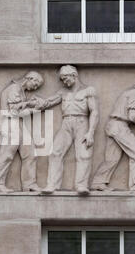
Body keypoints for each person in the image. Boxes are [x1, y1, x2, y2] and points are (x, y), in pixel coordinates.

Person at [41, 65, 99, 195]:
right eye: (62, 79)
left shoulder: (88, 90)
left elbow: (94, 112)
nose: (64, 81)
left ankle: (81, 185)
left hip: (82, 122)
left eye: (65, 78)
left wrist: (90, 132)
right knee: (56, 152)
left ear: (74, 75)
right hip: (66, 123)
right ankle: (52, 185)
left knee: (83, 155)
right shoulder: (63, 92)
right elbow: (47, 102)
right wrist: (32, 103)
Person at [0, 71, 47, 193]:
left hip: (18, 123)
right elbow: (15, 112)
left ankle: (29, 184)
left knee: (30, 152)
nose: (35, 88)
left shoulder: (20, 90)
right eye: (35, 84)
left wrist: (31, 104)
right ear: (29, 78)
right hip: (10, 123)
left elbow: (20, 109)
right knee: (7, 153)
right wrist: (35, 109)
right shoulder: (14, 89)